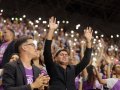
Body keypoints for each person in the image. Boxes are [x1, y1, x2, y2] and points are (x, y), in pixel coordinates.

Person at [43, 17, 93, 90]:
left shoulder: (73, 69)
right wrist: (51, 30)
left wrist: (88, 41)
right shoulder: (52, 67)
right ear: (55, 58)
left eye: (66, 55)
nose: (64, 56)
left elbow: (86, 60)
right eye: (61, 54)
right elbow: (47, 52)